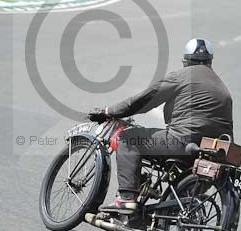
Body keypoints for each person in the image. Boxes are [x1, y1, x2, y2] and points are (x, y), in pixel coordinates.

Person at [88, 38, 233, 213]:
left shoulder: (180, 76)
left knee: (129, 138)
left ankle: (126, 198)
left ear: (185, 61)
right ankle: (177, 203)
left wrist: (110, 111)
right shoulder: (222, 86)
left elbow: (144, 100)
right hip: (212, 150)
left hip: (182, 141)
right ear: (210, 61)